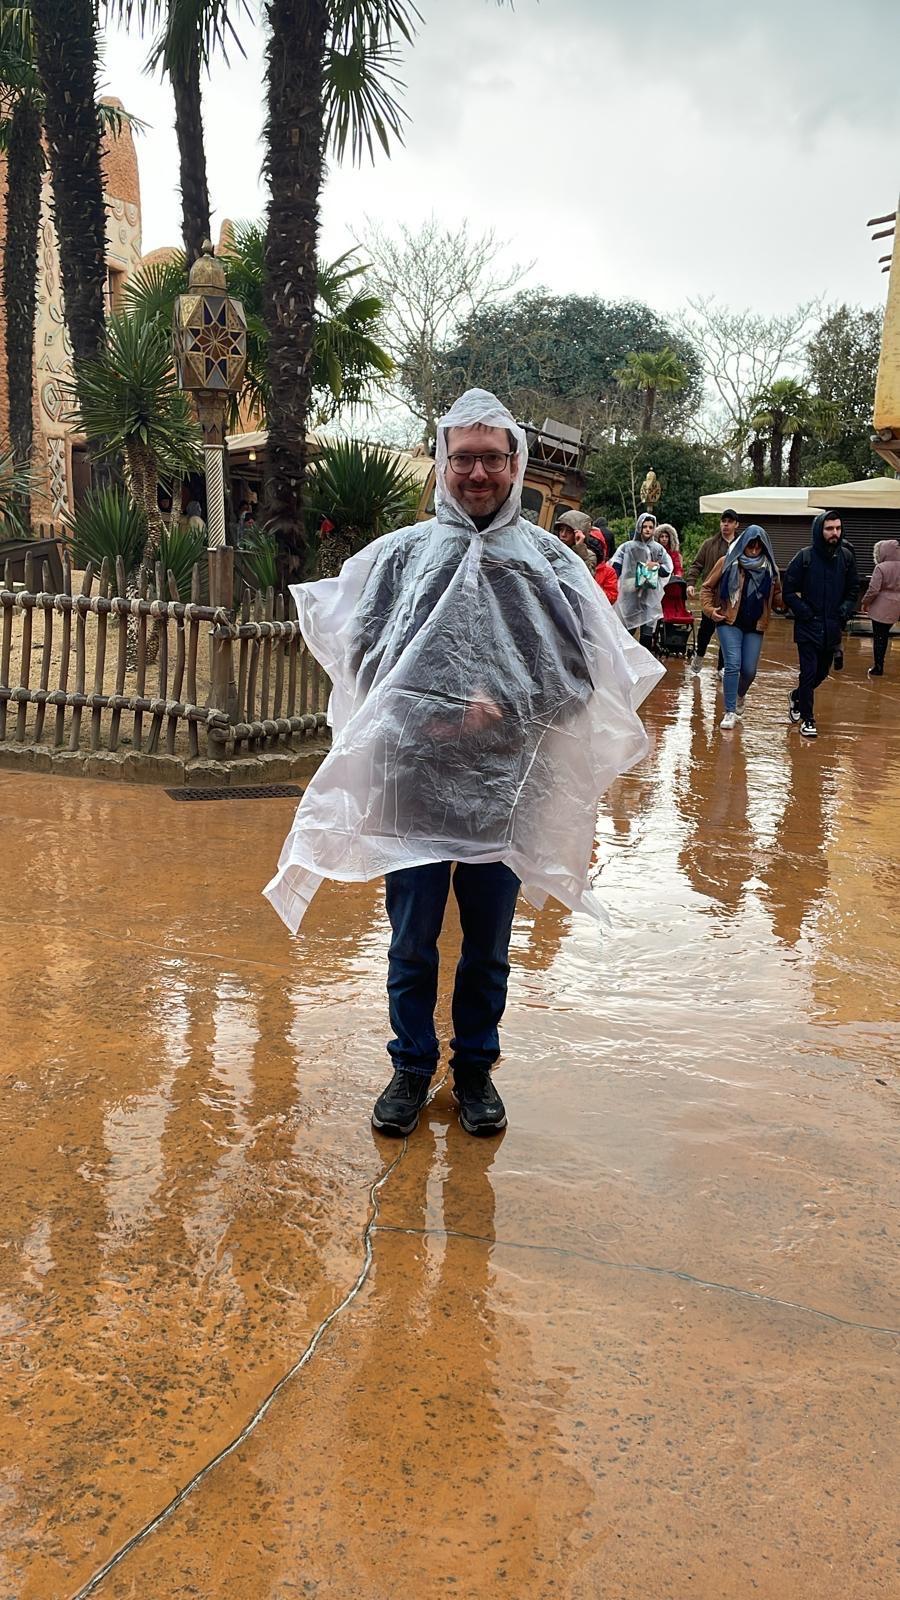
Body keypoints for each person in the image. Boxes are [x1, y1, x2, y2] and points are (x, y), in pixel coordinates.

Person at [263, 389, 663, 1139]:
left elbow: (585, 673)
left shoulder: (552, 565)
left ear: (515, 463)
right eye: (464, 459)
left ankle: (475, 1068)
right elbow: (364, 661)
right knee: (412, 940)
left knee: (488, 945)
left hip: (506, 788)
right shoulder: (400, 558)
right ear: (443, 463)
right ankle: (411, 1067)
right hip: (411, 780)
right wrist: (436, 712)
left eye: (492, 459)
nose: (478, 473)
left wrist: (505, 707)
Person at [783, 510, 859, 738]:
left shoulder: (846, 558)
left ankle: (797, 696)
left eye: (838, 528)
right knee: (808, 673)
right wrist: (804, 611)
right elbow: (788, 591)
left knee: (822, 672)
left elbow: (853, 589)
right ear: (819, 530)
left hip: (832, 627)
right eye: (829, 529)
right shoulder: (804, 557)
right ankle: (808, 719)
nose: (834, 533)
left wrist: (844, 611)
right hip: (808, 627)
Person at [700, 523, 782, 730]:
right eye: (750, 546)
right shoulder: (727, 561)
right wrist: (710, 610)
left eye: (758, 547)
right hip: (728, 619)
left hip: (755, 623)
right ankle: (729, 712)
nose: (754, 550)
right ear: (743, 544)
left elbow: (777, 598)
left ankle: (739, 695)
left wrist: (791, 599)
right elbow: (707, 588)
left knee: (749, 670)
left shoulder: (771, 569)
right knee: (733, 664)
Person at [686, 510, 740, 674]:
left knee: (728, 633)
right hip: (711, 597)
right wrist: (691, 583)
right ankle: (700, 655)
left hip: (732, 599)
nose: (725, 524)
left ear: (736, 525)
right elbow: (697, 565)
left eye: (729, 522)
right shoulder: (709, 544)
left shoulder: (742, 545)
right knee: (705, 630)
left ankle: (722, 667)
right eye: (723, 521)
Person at [610, 512, 674, 644]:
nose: (647, 530)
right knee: (627, 630)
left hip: (649, 595)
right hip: (630, 593)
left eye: (651, 527)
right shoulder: (627, 547)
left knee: (647, 634)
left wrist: (656, 566)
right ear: (639, 527)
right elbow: (616, 565)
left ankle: (645, 655)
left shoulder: (658, 549)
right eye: (645, 526)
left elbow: (667, 569)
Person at [860, 538, 900, 677]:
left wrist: (865, 602)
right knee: (886, 635)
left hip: (880, 606)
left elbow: (873, 589)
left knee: (879, 637)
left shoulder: (881, 567)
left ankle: (878, 667)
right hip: (896, 606)